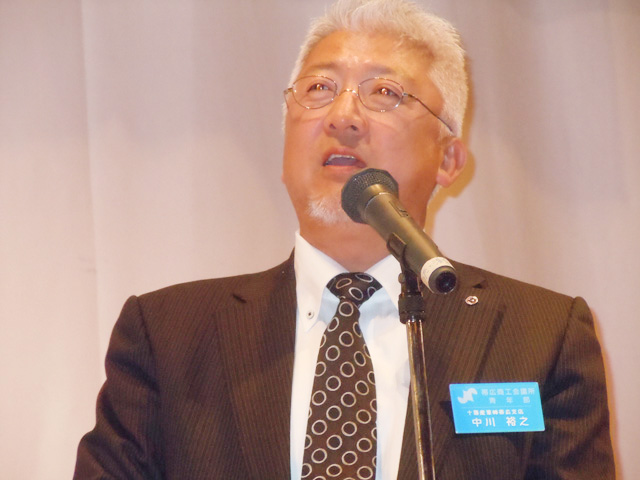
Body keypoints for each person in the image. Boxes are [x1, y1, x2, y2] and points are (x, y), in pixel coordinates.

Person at [74, 0, 615, 478]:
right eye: (319, 89)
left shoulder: (543, 336)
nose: (343, 116)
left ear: (449, 159)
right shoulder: (167, 335)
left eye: (385, 93)